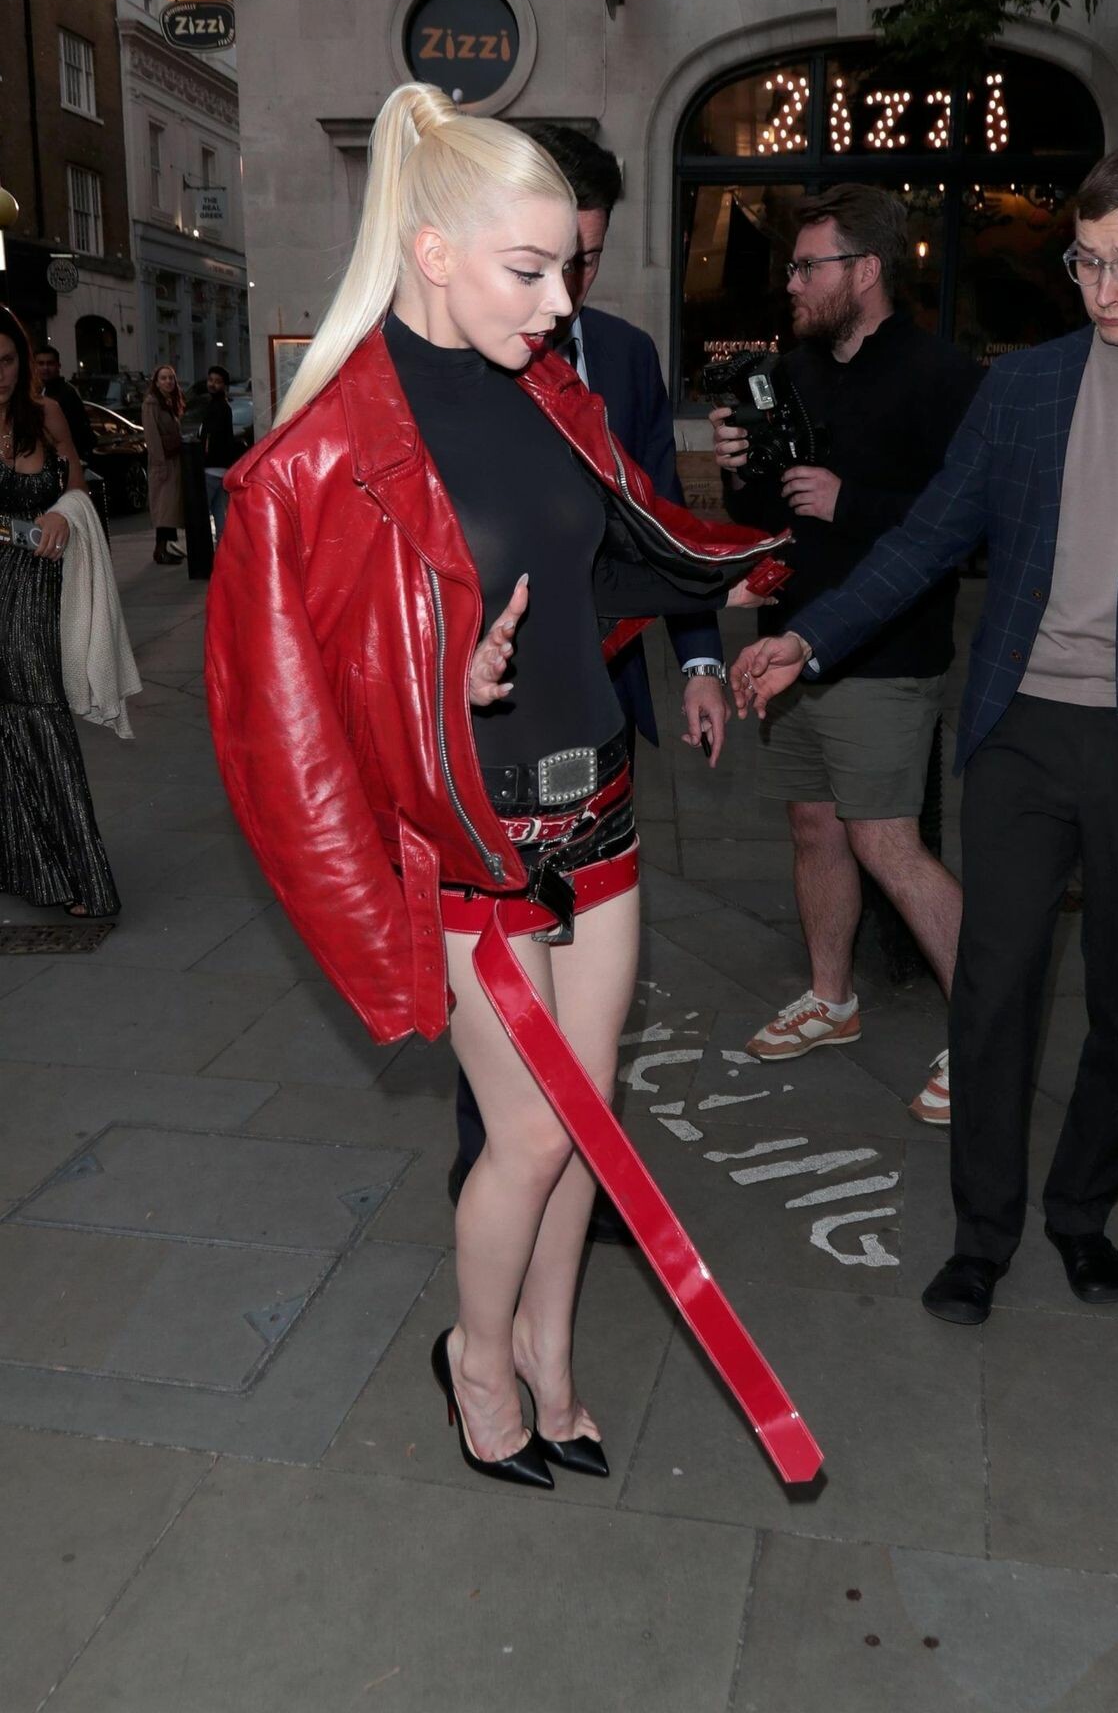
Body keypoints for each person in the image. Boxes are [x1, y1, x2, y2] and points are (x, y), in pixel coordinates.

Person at [205, 85, 817, 1491]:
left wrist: (716, 577)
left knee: (585, 1126)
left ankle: (550, 1353)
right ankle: (475, 1359)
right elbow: (276, 720)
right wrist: (438, 684)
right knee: (533, 1133)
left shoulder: (552, 390)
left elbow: (593, 564)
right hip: (470, 841)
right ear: (432, 252)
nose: (557, 303)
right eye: (529, 270)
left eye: (565, 271)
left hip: (599, 801)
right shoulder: (316, 456)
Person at [731, 139, 1118, 1325]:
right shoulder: (1024, 386)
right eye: (1084, 261)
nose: (1103, 290)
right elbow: (927, 537)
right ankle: (980, 1231)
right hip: (1022, 729)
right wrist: (809, 639)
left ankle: (1079, 1213)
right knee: (990, 991)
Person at [447, 121, 730, 1233]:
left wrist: (698, 655)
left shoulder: (622, 355)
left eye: (589, 258)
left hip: (601, 712)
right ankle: (497, 1172)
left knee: (587, 1006)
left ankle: (573, 1165)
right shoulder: (451, 358)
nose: (566, 289)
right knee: (498, 995)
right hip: (489, 726)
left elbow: (664, 522)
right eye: (546, 258)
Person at [713, 187, 982, 1123]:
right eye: (792, 268)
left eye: (807, 267)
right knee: (815, 829)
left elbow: (970, 527)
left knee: (885, 841)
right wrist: (739, 471)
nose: (791, 283)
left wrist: (851, 500)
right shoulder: (792, 371)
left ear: (865, 270)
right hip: (791, 638)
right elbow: (768, 514)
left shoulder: (941, 376)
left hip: (887, 651)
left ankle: (986, 1036)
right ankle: (831, 999)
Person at [0, 306, 120, 918]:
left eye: (5, 360)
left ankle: (81, 874)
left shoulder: (46, 415)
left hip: (37, 584)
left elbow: (77, 484)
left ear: (22, 362)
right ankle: (26, 862)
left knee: (41, 711)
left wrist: (61, 513)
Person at [141, 364, 184, 564]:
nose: (168, 381)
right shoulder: (151, 403)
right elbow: (152, 436)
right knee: (164, 509)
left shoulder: (168, 402)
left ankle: (165, 547)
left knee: (170, 509)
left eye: (171, 378)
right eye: (164, 378)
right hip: (163, 462)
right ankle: (160, 550)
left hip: (173, 460)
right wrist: (160, 464)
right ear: (156, 382)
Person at [200, 364, 241, 543]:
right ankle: (222, 549)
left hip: (211, 467)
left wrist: (204, 455)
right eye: (210, 380)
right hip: (221, 468)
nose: (212, 384)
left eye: (217, 381)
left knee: (203, 511)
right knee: (218, 511)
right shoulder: (222, 406)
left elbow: (211, 436)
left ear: (224, 385)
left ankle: (207, 549)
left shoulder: (217, 407)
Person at [34, 346, 95, 466]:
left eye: (50, 363)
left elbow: (79, 429)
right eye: (41, 363)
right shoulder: (31, 392)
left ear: (58, 366)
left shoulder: (67, 393)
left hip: (62, 459)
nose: (45, 368)